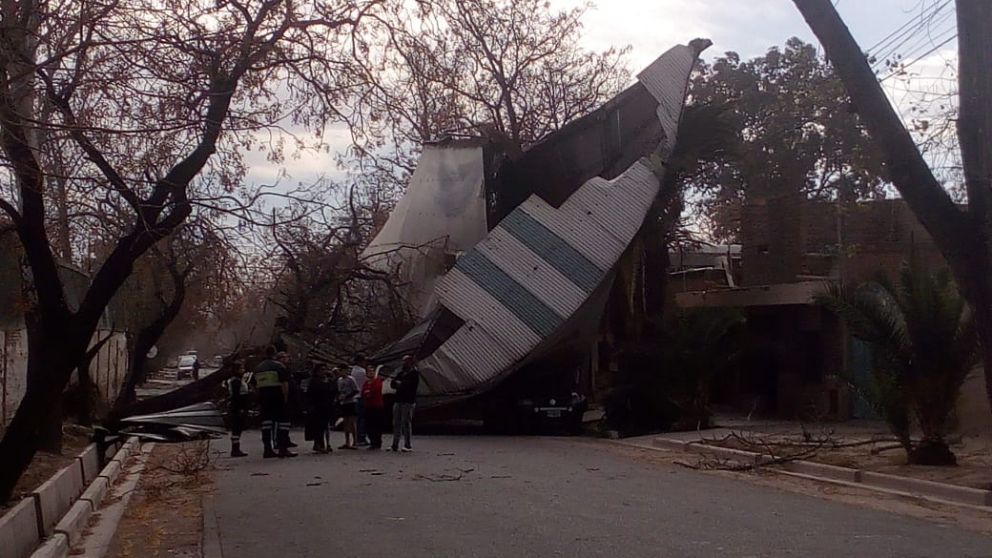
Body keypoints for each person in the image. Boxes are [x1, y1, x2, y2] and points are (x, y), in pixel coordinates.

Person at [254, 346, 297, 458]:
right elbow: (284, 384)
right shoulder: (279, 366)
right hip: (278, 398)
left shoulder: (259, 367)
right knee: (284, 423)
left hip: (264, 399)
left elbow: (254, 385)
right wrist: (286, 398)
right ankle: (283, 449)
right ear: (275, 354)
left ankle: (267, 449)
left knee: (266, 424)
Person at [390, 355, 420, 452]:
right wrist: (395, 382)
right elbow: (393, 384)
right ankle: (395, 444)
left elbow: (409, 386)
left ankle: (408, 445)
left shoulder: (414, 373)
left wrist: (401, 384)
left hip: (408, 401)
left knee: (406, 422)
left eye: (406, 361)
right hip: (398, 399)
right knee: (396, 422)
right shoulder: (401, 373)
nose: (404, 363)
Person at [305, 365, 336, 454]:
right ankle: (319, 444)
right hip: (317, 407)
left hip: (327, 406)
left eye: (325, 369)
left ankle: (324, 444)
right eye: (322, 370)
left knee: (324, 426)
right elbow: (311, 394)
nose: (324, 371)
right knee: (319, 427)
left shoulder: (328, 381)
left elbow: (333, 390)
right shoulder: (314, 382)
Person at [224, 360, 248, 458]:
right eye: (241, 368)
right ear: (236, 370)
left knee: (238, 428)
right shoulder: (236, 382)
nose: (243, 370)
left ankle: (236, 448)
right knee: (236, 428)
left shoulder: (237, 380)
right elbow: (236, 396)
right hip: (238, 407)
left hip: (238, 406)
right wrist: (240, 408)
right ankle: (235, 449)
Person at [361, 365, 386, 450]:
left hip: (377, 406)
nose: (371, 373)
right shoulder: (366, 383)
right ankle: (372, 441)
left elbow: (375, 390)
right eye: (369, 372)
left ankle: (377, 442)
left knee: (377, 425)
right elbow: (363, 392)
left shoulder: (377, 381)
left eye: (372, 371)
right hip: (368, 406)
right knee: (369, 425)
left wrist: (369, 392)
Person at [336, 367, 359, 449]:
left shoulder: (351, 379)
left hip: (351, 402)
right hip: (343, 403)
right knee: (346, 422)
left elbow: (356, 390)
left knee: (352, 422)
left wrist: (347, 396)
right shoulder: (339, 380)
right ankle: (347, 441)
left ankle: (355, 441)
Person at [351, 355, 369, 446]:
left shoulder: (353, 371)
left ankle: (357, 437)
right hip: (362, 395)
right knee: (362, 418)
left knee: (357, 419)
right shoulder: (362, 372)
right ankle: (361, 437)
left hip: (354, 396)